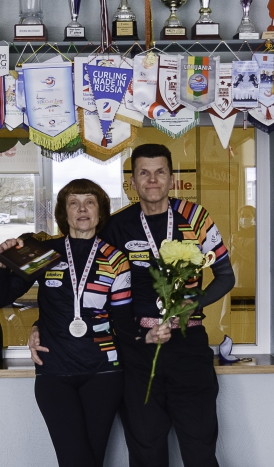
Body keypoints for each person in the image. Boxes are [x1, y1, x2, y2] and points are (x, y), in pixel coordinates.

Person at [30, 145, 235, 466]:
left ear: (171, 178)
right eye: (144, 173)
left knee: (200, 449)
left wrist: (192, 303)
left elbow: (225, 277)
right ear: (132, 183)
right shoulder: (115, 226)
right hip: (137, 352)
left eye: (160, 172)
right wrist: (39, 325)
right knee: (146, 451)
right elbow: (76, 282)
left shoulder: (196, 218)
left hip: (188, 346)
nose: (152, 180)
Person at [0, 179, 170, 467]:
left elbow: (123, 320)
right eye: (74, 203)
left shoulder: (116, 259)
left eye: (90, 202)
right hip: (54, 373)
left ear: (100, 212)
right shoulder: (45, 253)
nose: (82, 209)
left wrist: (146, 335)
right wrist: (3, 264)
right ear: (64, 212)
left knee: (92, 459)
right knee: (74, 459)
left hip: (103, 374)